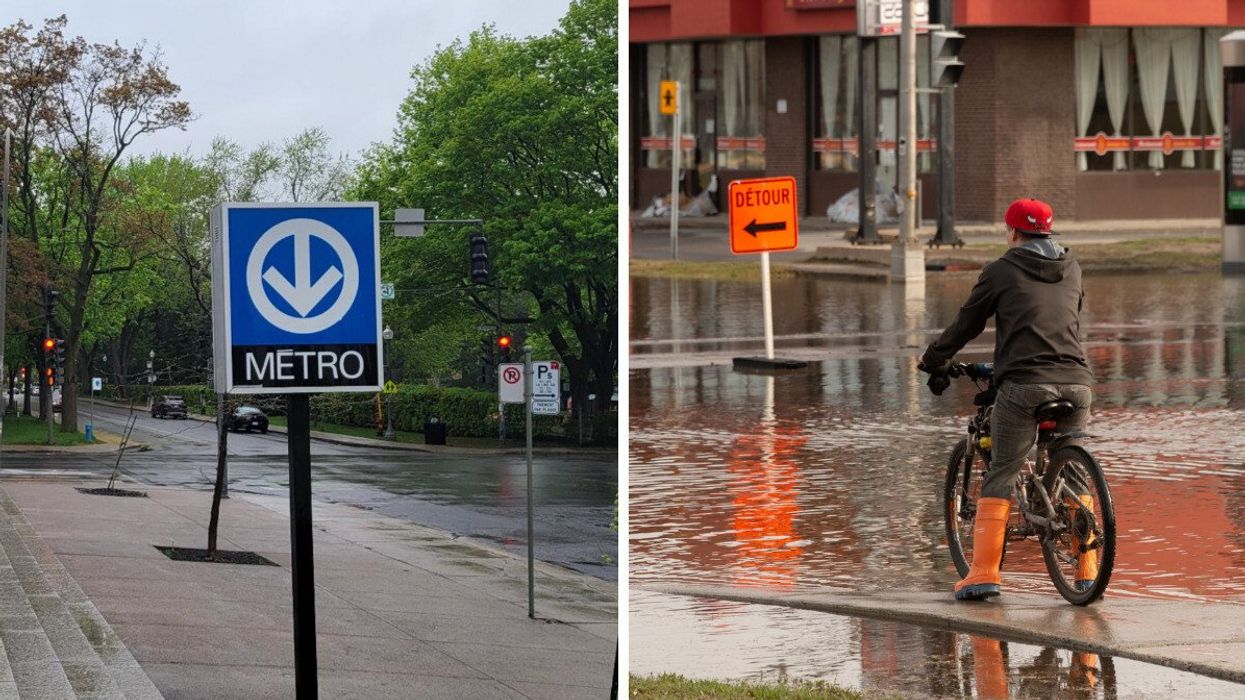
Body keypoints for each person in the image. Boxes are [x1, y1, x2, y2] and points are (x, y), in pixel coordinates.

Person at [920, 198, 1095, 601]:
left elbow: (967, 323)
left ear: (1013, 232)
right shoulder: (1072, 267)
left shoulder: (1000, 270)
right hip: (1077, 381)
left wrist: (935, 359)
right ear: (1049, 231)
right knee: (1071, 468)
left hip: (1025, 383)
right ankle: (1086, 572)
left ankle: (983, 574)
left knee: (1002, 468)